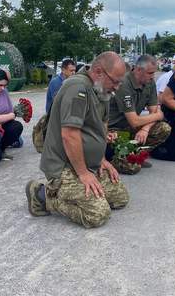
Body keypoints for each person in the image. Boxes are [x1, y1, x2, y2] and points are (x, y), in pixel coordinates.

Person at [25, 52, 129, 228]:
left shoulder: (102, 90)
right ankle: (42, 195)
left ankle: (84, 195)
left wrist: (102, 159)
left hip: (89, 164)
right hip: (64, 166)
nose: (117, 87)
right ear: (98, 71)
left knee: (120, 198)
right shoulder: (77, 88)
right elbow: (69, 134)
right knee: (97, 214)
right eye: (115, 81)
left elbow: (102, 126)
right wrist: (83, 173)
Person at [107, 55, 171, 166]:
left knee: (163, 128)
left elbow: (154, 110)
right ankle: (119, 158)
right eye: (150, 73)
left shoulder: (150, 83)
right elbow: (134, 121)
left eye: (154, 73)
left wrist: (145, 129)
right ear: (138, 70)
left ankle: (136, 155)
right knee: (131, 168)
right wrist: (158, 115)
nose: (153, 76)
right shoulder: (124, 84)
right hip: (114, 131)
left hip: (130, 128)